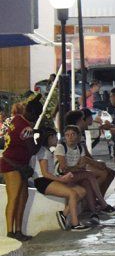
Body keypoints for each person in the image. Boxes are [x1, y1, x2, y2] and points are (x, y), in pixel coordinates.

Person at [1, 98, 43, 240]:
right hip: (13, 165)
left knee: (22, 198)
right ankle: (10, 232)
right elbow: (32, 149)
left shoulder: (16, 119)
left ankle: (18, 231)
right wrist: (41, 138)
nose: (36, 118)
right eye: (37, 115)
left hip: (16, 164)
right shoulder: (26, 128)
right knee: (14, 199)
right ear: (32, 113)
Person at [33, 128, 90, 231]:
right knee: (72, 193)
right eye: (56, 137)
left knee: (82, 191)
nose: (57, 139)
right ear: (50, 138)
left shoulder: (47, 150)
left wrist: (62, 178)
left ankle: (63, 214)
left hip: (50, 179)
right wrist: (61, 180)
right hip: (43, 181)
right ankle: (75, 224)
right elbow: (45, 173)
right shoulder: (43, 151)